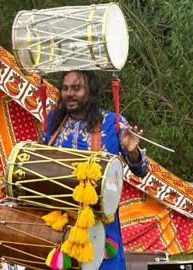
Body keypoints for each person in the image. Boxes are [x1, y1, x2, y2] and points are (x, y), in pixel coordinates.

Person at [43, 70, 149, 269]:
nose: (69, 93)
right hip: (59, 221)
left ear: (90, 92)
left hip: (101, 223)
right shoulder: (53, 121)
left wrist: (132, 151)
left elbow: (142, 170)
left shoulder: (112, 123)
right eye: (65, 89)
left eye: (76, 88)